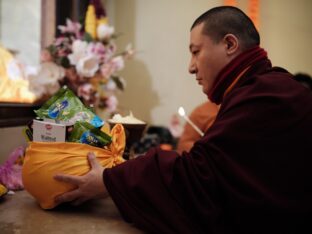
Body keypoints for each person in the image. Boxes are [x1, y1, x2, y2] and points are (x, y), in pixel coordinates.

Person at [54, 6, 312, 233]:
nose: (191, 67)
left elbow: (199, 179)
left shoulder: (265, 96)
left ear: (230, 45)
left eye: (196, 52)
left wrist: (109, 181)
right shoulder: (265, 88)